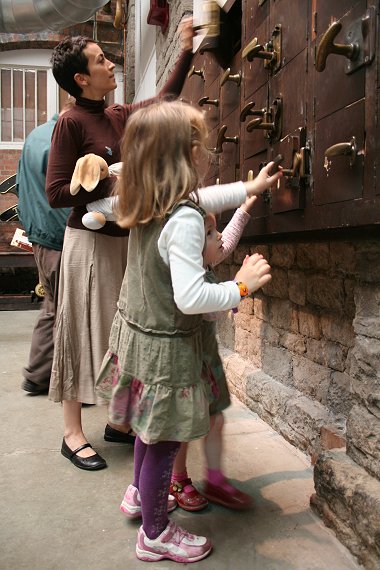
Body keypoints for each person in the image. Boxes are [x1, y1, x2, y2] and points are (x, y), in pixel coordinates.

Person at [95, 100, 282, 563]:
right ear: (181, 158)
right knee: (167, 438)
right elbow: (191, 298)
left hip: (140, 335)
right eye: (198, 145)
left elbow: (207, 197)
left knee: (148, 427)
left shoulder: (149, 200)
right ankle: (155, 533)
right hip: (168, 348)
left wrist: (248, 189)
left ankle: (140, 494)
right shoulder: (183, 219)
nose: (206, 152)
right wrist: (241, 286)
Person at [45, 19, 195, 471]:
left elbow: (162, 102)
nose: (111, 65)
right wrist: (106, 179)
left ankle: (119, 423)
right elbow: (55, 193)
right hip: (87, 246)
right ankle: (72, 432)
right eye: (101, 61)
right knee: (76, 331)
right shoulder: (70, 123)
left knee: (125, 331)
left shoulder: (115, 116)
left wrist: (186, 49)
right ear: (81, 78)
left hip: (122, 242)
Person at [170, 196, 257, 512]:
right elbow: (211, 311)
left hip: (205, 363)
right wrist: (241, 286)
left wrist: (245, 208)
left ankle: (216, 479)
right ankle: (178, 479)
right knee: (183, 428)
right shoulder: (192, 277)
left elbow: (227, 243)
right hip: (187, 363)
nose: (218, 235)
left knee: (215, 420)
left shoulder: (204, 263)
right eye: (209, 233)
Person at [16, 98, 74, 396]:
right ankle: (59, 381)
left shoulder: (34, 136)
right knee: (65, 311)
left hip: (40, 236)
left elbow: (22, 187)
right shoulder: (62, 139)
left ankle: (37, 373)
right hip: (60, 237)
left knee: (52, 306)